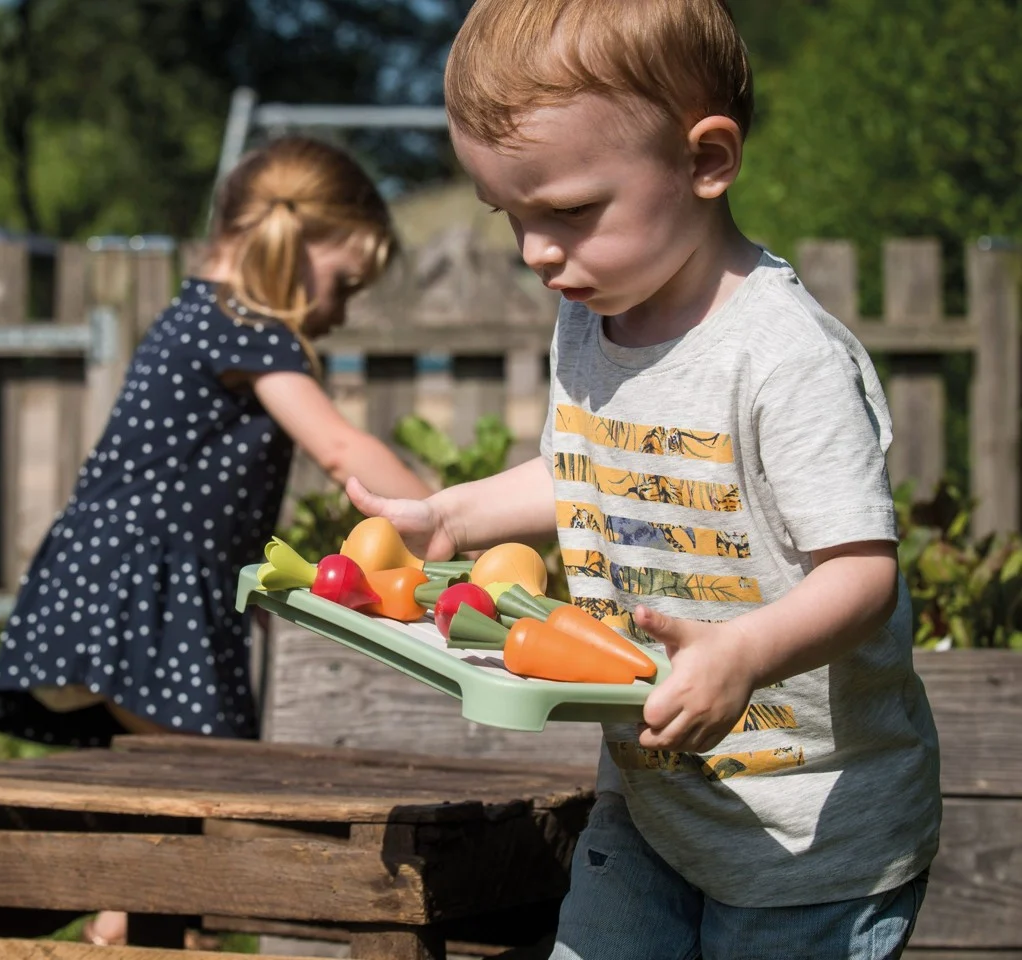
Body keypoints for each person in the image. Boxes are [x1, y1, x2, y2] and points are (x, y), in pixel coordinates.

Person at [346, 2, 941, 958]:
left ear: (707, 161)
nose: (537, 251)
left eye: (572, 211)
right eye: (513, 214)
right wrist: (452, 514)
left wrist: (743, 655)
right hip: (657, 801)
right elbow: (589, 470)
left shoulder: (783, 358)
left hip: (810, 838)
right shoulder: (590, 320)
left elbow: (861, 573)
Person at [0, 135, 433, 945]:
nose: (344, 308)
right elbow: (337, 448)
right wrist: (443, 519)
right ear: (294, 243)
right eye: (347, 280)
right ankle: (129, 925)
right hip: (143, 597)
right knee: (221, 798)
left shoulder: (198, 316)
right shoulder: (250, 327)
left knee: (176, 825)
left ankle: (131, 924)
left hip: (106, 585)